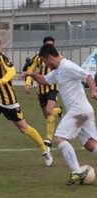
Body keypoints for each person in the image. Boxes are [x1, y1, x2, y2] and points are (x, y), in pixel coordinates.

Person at [0, 35, 53, 167]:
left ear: (0, 47)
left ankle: (44, 149)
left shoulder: (4, 59)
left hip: (9, 102)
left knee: (24, 128)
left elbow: (11, 72)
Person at [22, 44, 97, 185]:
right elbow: (44, 80)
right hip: (84, 111)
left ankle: (77, 171)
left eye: (45, 62)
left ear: (50, 57)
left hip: (79, 110)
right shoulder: (57, 71)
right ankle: (78, 171)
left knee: (59, 139)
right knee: (90, 145)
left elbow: (87, 76)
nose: (45, 65)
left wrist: (93, 91)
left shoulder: (67, 65)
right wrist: (31, 74)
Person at [25, 36, 63, 147]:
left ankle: (49, 138)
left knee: (48, 110)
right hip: (41, 89)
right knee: (47, 114)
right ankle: (59, 111)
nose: (49, 47)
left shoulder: (59, 58)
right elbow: (30, 70)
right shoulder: (38, 58)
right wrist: (28, 83)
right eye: (47, 45)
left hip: (53, 88)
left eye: (51, 45)